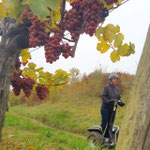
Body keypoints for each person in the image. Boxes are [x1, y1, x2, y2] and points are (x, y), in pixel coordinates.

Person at [100, 73, 125, 144]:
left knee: (111, 124)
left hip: (113, 109)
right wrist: (109, 101)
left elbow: (118, 98)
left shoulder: (117, 89)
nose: (115, 80)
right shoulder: (106, 88)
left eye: (116, 79)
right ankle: (100, 137)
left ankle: (107, 138)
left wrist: (121, 103)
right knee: (104, 123)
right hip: (105, 108)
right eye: (114, 79)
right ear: (110, 80)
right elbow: (103, 96)